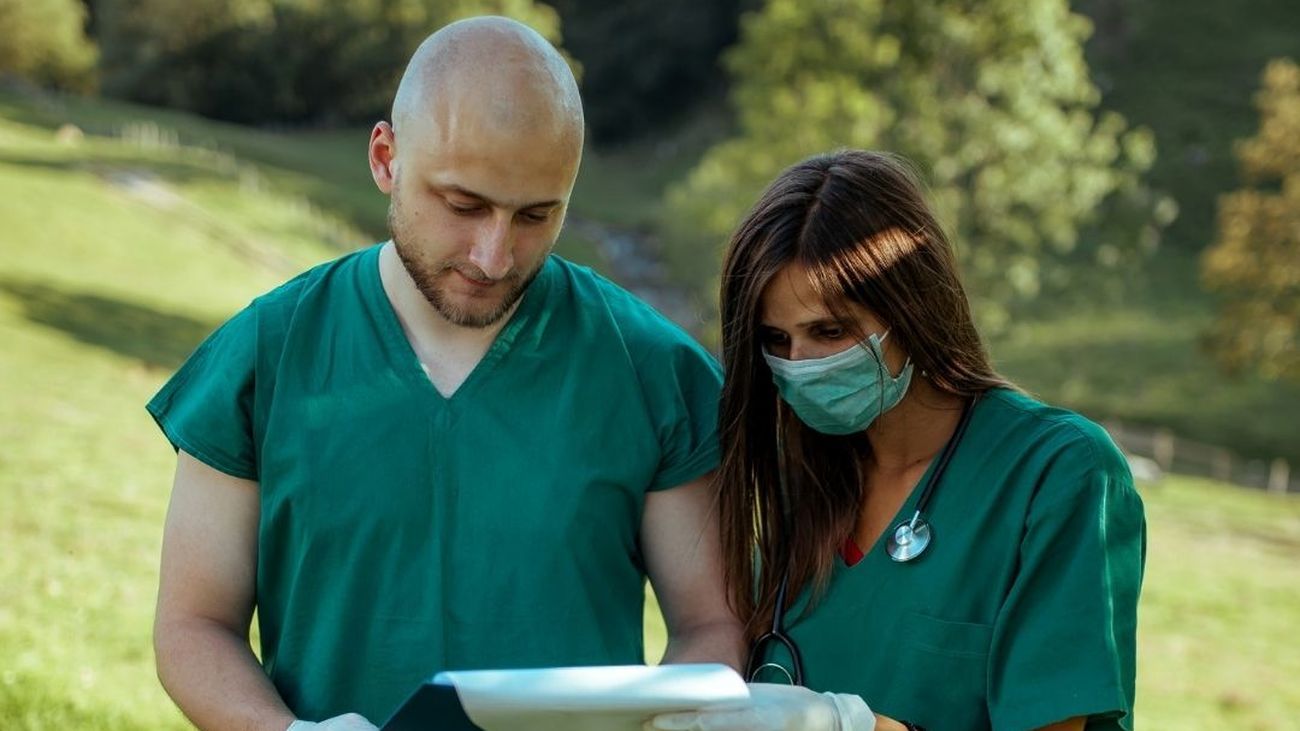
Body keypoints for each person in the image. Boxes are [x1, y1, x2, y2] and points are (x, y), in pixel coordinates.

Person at [148, 16, 742, 731]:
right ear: (385, 156)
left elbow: (713, 625)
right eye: (464, 206)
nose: (494, 255)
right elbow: (194, 625)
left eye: (535, 216)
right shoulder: (264, 356)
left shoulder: (654, 370)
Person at [648, 150, 1145, 731]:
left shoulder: (1058, 473)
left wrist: (850, 727)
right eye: (775, 340)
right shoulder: (795, 482)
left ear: (911, 310)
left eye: (829, 331)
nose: (799, 365)